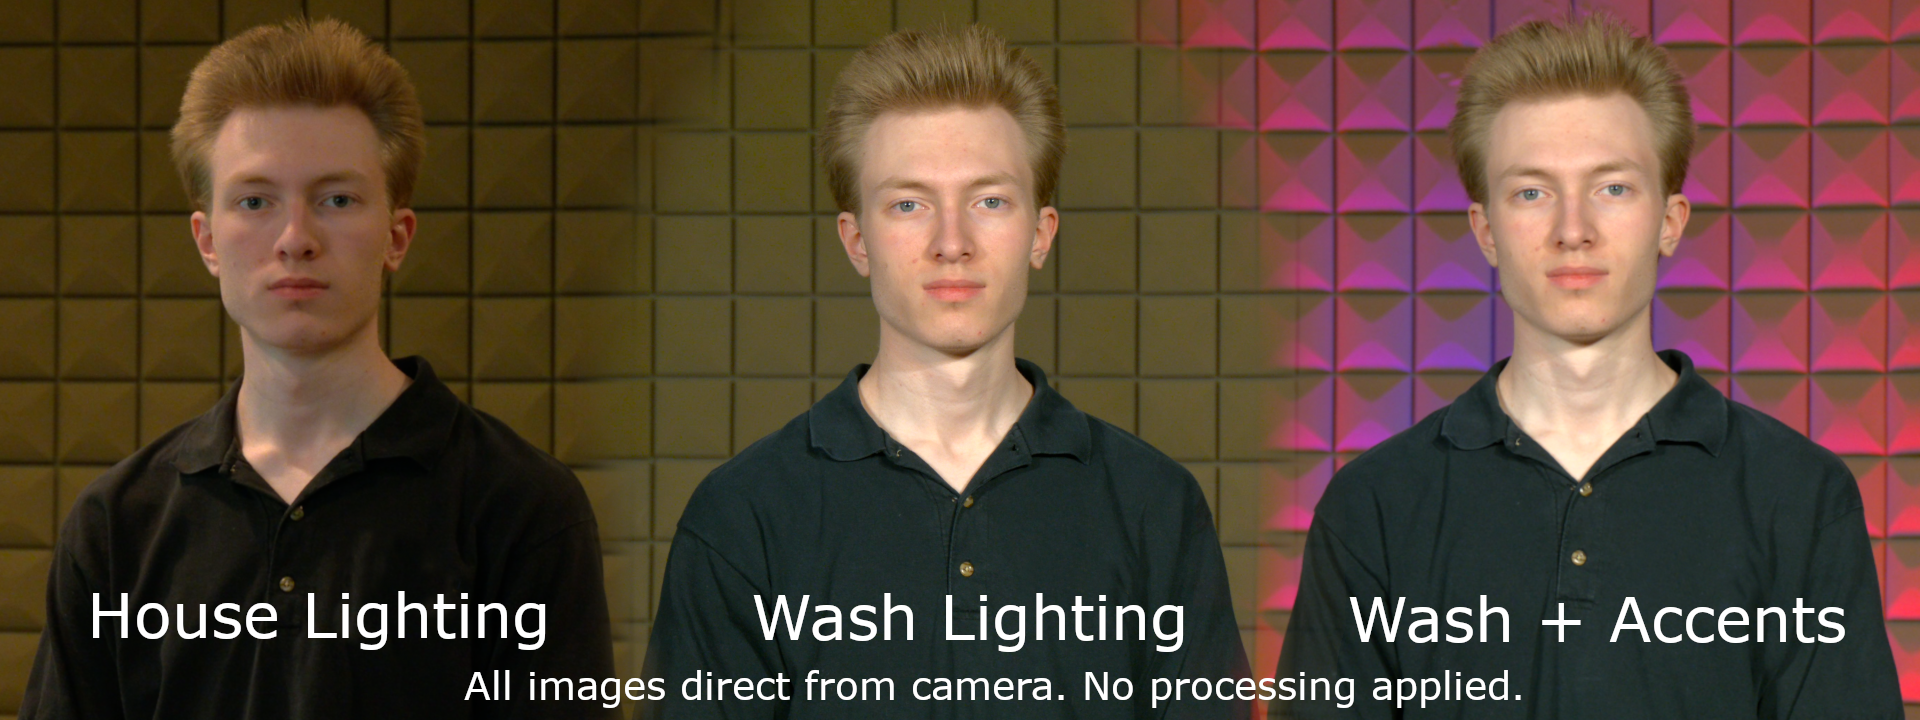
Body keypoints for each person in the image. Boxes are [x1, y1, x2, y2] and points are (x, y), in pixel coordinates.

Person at [1269, 14, 1902, 718]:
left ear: (1670, 219)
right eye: (1532, 192)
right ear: (1485, 230)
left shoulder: (1800, 497)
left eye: (1613, 187)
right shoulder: (1374, 508)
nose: (1574, 229)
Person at [641, 24, 1249, 719]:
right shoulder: (742, 518)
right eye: (909, 204)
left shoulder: (1155, 507)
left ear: (1041, 233)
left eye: (989, 200)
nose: (951, 243)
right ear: (857, 239)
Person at [21, 18, 616, 719]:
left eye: (337, 199)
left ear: (396, 236)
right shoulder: (116, 525)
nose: (296, 239)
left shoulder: (521, 508)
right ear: (207, 241)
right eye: (255, 201)